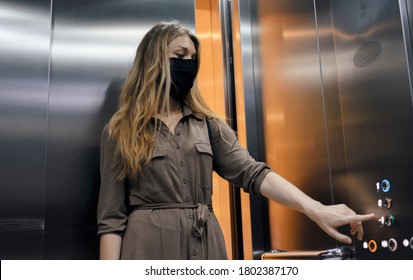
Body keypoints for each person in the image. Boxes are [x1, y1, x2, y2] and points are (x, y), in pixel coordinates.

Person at [97, 21, 374, 260]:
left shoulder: (208, 124)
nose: (188, 64)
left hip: (205, 248)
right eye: (180, 55)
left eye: (193, 58)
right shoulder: (120, 130)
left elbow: (253, 173)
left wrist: (314, 208)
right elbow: (112, 220)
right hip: (145, 252)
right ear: (153, 60)